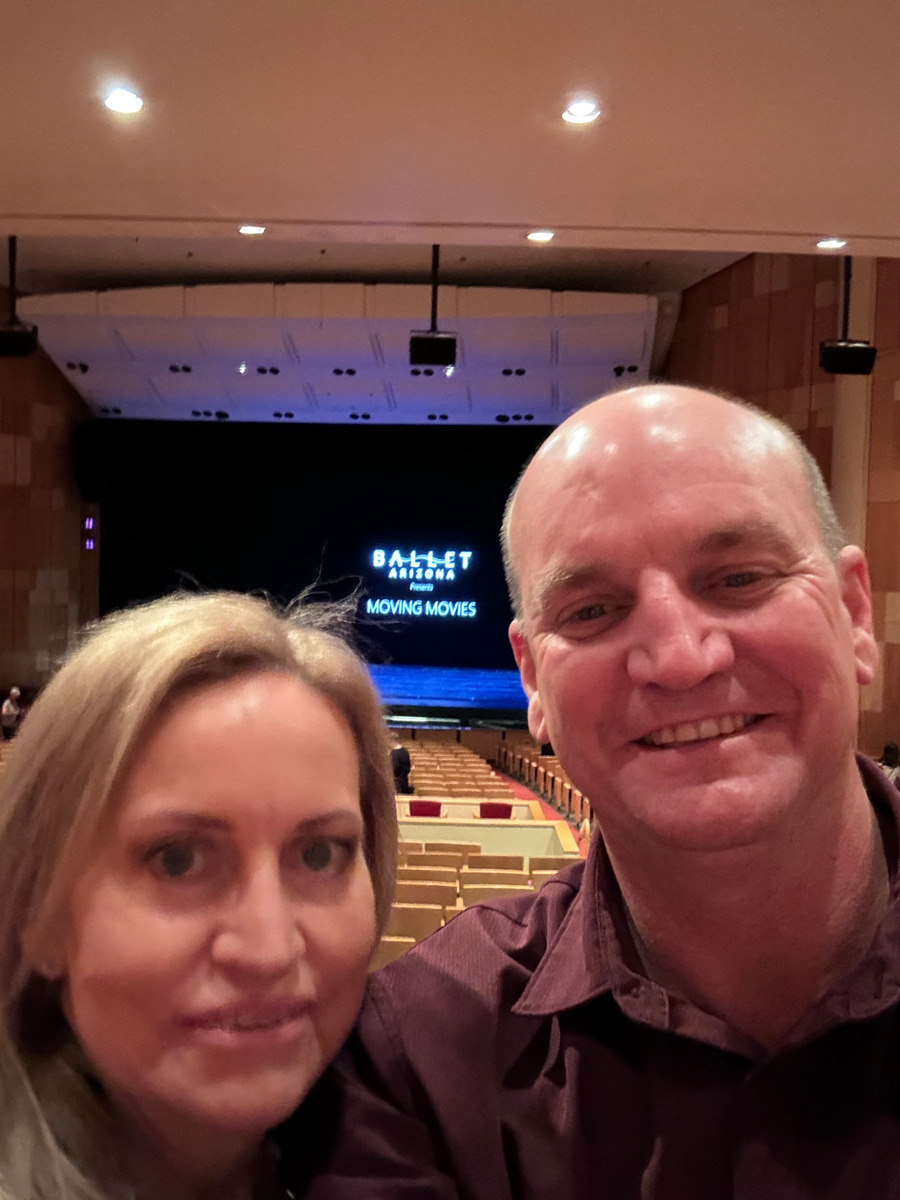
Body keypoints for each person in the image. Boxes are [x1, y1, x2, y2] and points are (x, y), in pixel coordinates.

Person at [290, 384, 900, 1199]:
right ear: (531, 680)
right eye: (592, 610)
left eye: (738, 578)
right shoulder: (419, 1059)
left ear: (855, 613)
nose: (680, 659)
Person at [0, 591, 397, 1200]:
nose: (268, 950)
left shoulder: (417, 1144)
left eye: (321, 854)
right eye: (178, 860)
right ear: (38, 914)